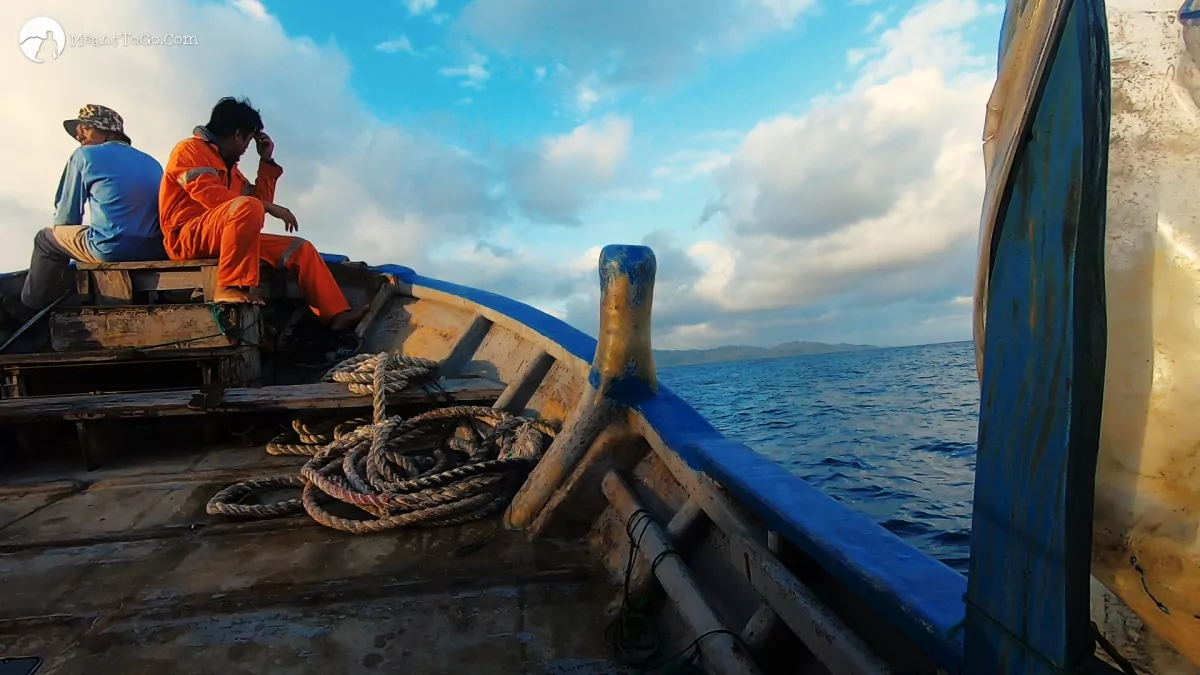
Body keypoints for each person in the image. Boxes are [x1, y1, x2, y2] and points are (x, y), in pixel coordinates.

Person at [158, 96, 363, 330]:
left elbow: (256, 209)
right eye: (247, 141)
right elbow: (211, 196)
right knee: (249, 206)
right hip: (186, 238)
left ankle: (335, 314)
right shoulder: (189, 150)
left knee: (299, 248)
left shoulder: (231, 170)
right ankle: (229, 286)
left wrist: (266, 161)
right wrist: (266, 207)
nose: (246, 149)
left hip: (225, 238)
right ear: (237, 135)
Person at [15, 104, 166, 316]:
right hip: (155, 249)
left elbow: (67, 218)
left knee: (46, 239)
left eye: (84, 127)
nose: (79, 135)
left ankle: (30, 311)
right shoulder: (153, 162)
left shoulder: (85, 155)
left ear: (106, 129)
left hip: (112, 249)